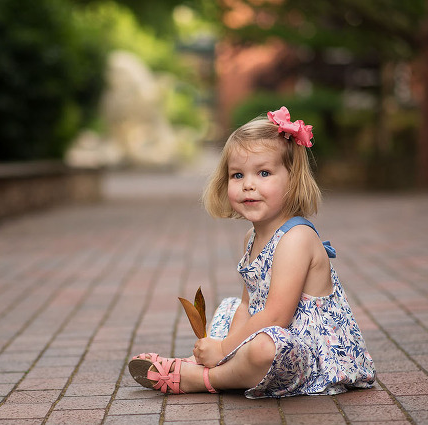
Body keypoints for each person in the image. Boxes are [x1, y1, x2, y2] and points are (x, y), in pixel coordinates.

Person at [129, 106, 376, 397]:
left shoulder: (297, 237)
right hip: (272, 333)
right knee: (233, 309)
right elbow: (249, 305)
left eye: (263, 173)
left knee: (263, 349)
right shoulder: (251, 237)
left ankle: (202, 378)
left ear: (292, 178)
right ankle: (212, 366)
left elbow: (275, 316)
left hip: (314, 356)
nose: (248, 185)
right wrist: (225, 348)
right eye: (237, 175)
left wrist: (223, 347)